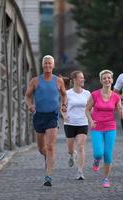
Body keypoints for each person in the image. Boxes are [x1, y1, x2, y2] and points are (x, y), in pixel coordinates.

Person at [24, 55, 67, 187]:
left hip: (52, 116)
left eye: (50, 64)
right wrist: (30, 105)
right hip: (39, 116)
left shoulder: (58, 81)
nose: (48, 66)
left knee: (50, 147)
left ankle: (48, 176)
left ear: (53, 66)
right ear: (42, 65)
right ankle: (47, 159)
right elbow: (27, 96)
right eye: (45, 64)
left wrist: (63, 105)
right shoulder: (35, 81)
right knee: (41, 148)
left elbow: (64, 94)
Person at [85, 69, 123, 188]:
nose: (107, 80)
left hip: (110, 127)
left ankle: (105, 179)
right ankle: (96, 160)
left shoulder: (116, 97)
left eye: (109, 78)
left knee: (107, 154)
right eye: (104, 78)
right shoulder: (95, 94)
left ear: (112, 80)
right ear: (101, 81)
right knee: (98, 153)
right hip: (96, 127)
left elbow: (121, 115)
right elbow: (87, 109)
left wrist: (121, 109)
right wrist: (91, 121)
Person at [61, 71, 91, 180]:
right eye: (81, 78)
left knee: (81, 146)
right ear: (74, 80)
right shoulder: (67, 93)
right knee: (71, 149)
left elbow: (90, 108)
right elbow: (62, 107)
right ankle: (71, 154)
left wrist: (91, 119)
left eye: (83, 78)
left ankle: (80, 171)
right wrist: (64, 115)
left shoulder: (87, 93)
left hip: (82, 123)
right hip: (69, 123)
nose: (83, 80)